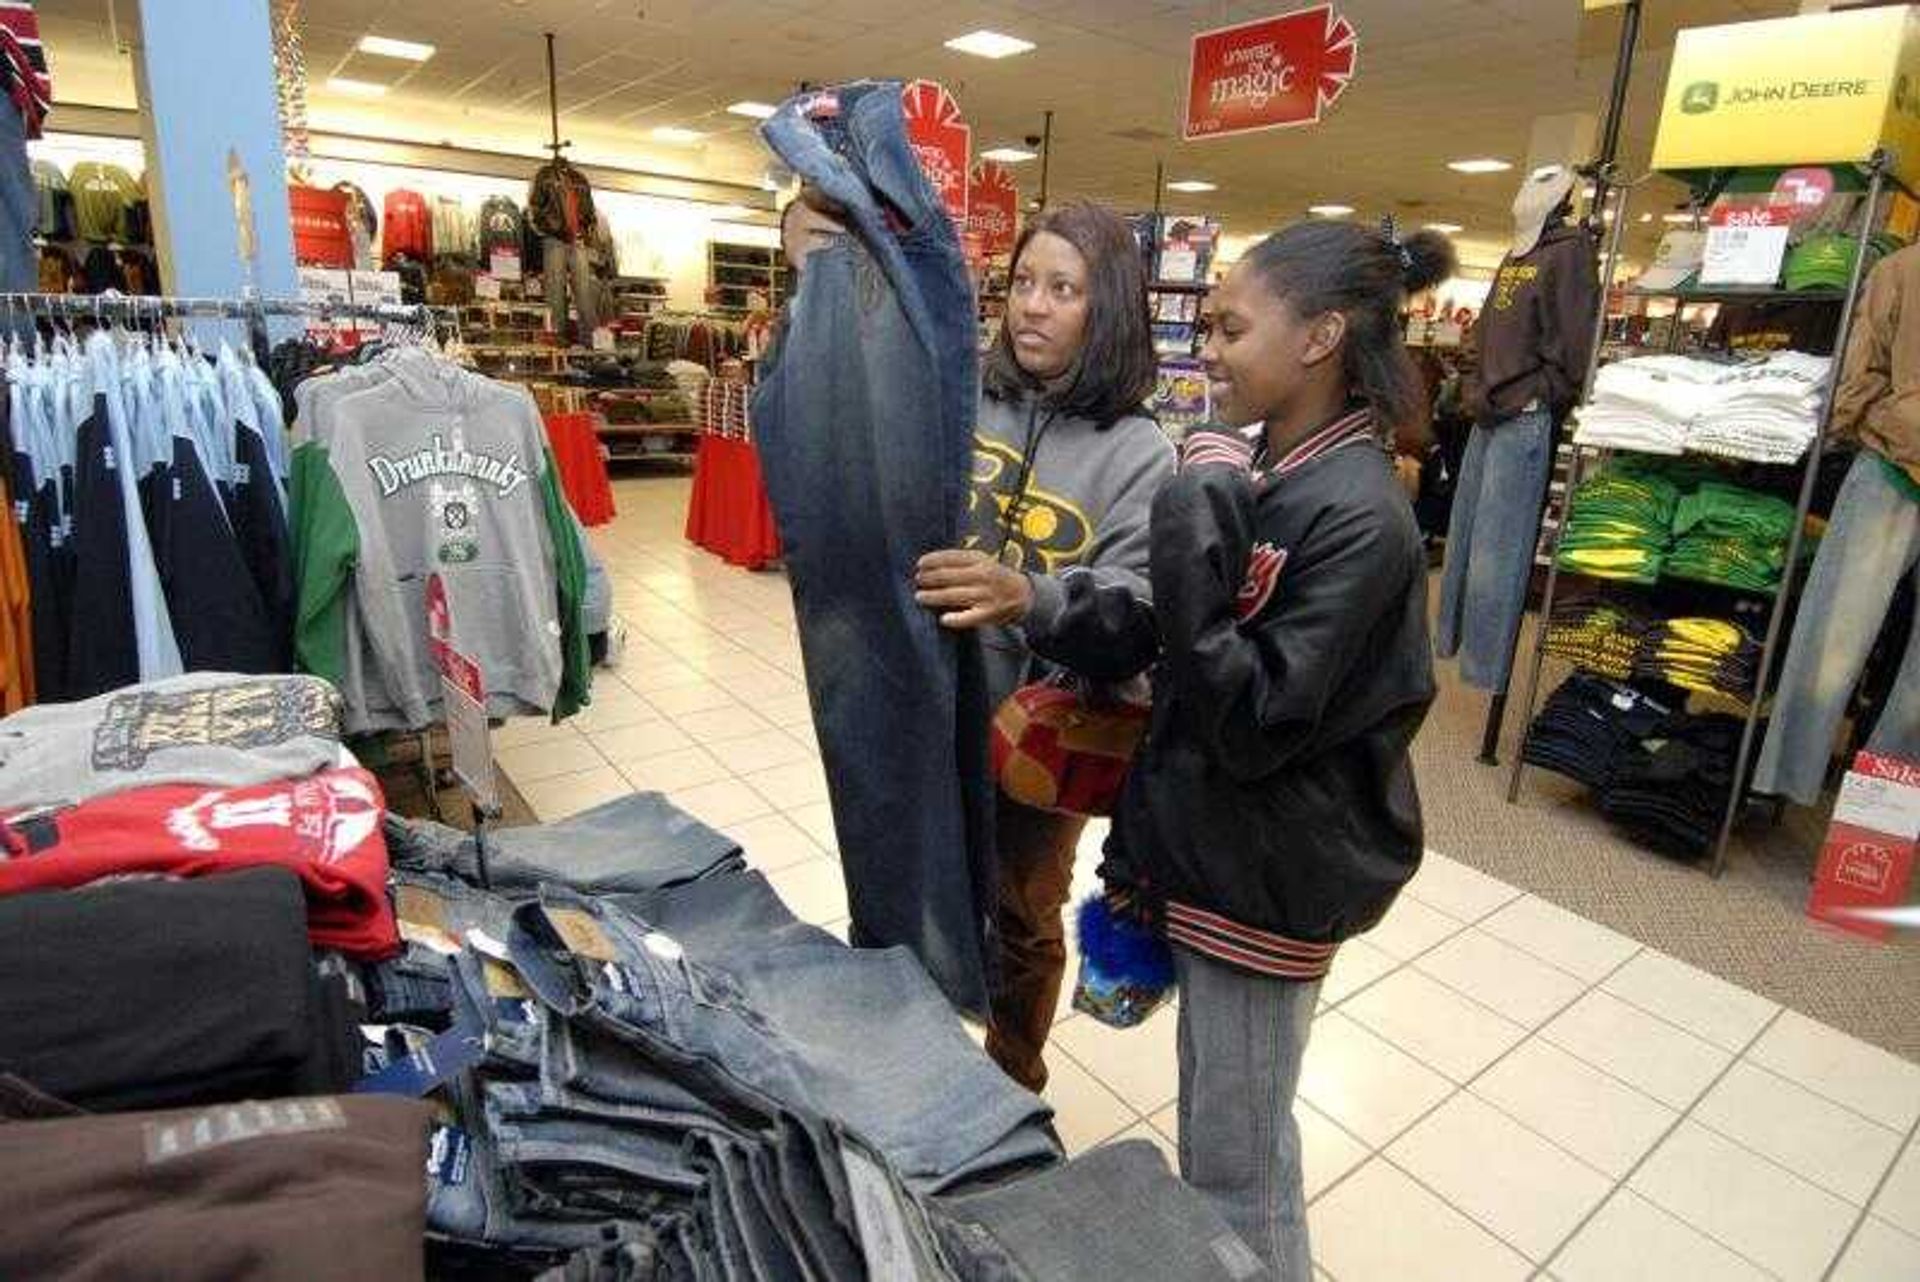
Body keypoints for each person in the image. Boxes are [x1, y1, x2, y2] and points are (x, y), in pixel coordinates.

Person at [1030, 218, 1451, 1276]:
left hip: (1273, 873)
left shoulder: (1355, 512)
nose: (1206, 349)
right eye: (1206, 323)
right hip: (1221, 851)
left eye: (1229, 326)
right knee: (1220, 1123)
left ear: (1319, 338)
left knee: (1236, 1158)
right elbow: (1188, 652)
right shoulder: (1276, 471)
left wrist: (1196, 507)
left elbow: (1249, 716)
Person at [911, 200, 1174, 1092]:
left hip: (1039, 732)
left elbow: (1138, 613)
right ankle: (913, 1049)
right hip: (930, 700)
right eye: (1024, 282)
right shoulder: (963, 398)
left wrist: (1031, 596)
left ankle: (1011, 1083)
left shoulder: (1142, 454)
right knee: (921, 880)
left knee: (1023, 910)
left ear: (1109, 313)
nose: (1032, 306)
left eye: (1063, 289)